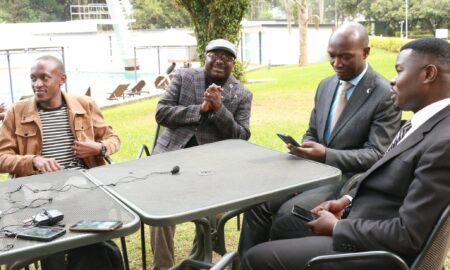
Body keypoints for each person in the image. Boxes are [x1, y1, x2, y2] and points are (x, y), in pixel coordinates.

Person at [241, 37, 450, 270]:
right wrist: (347, 200)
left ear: (428, 74)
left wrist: (337, 227)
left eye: (399, 71)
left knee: (258, 258)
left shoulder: (443, 142)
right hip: (362, 221)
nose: (393, 79)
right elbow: (388, 178)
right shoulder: (423, 124)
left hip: (377, 255)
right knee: (279, 222)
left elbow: (408, 235)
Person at [238, 22, 401, 256]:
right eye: (332, 56)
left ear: (366, 52)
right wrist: (303, 147)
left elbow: (376, 154)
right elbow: (313, 131)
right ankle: (247, 263)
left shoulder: (384, 94)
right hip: (310, 169)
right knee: (257, 203)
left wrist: (326, 155)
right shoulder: (326, 85)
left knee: (288, 214)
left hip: (345, 180)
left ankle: (271, 259)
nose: (337, 64)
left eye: (345, 57)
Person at [0, 55, 123, 270]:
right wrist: (33, 161)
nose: (37, 84)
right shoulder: (16, 112)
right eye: (33, 78)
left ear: (62, 79)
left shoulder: (85, 105)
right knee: (54, 251)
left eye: (44, 78)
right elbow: (2, 158)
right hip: (37, 197)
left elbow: (113, 140)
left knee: (94, 246)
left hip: (85, 192)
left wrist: (98, 148)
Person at [151, 39, 252, 270]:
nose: (219, 60)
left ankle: (195, 261)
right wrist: (201, 109)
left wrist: (219, 109)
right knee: (160, 212)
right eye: (214, 54)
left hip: (211, 170)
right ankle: (163, 266)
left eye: (226, 57)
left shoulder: (242, 93)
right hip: (170, 161)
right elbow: (162, 113)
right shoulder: (184, 77)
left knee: (215, 217)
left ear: (233, 63)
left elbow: (241, 135)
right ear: (204, 57)